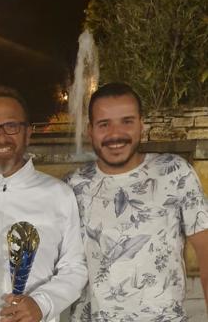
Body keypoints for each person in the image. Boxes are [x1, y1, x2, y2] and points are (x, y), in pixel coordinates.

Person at [64, 82, 208, 321]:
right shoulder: (72, 186)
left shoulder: (175, 172)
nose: (115, 134)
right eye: (104, 124)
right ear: (90, 130)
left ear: (142, 124)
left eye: (127, 121)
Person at [0, 86, 87, 322]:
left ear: (28, 133)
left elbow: (74, 267)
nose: (1, 137)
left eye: (11, 126)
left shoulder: (58, 194)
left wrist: (42, 304)